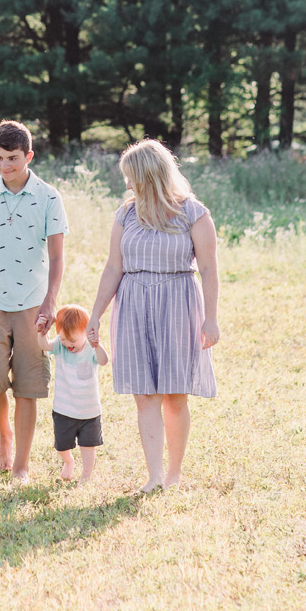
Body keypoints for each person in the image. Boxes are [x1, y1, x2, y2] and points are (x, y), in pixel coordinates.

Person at [87, 138, 219, 493]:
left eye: (131, 176)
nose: (127, 183)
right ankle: (155, 477)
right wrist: (96, 313)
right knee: (145, 395)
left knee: (175, 394)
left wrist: (211, 318)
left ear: (149, 174)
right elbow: (114, 266)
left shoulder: (193, 212)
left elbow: (208, 269)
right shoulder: (126, 214)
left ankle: (174, 473)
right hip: (132, 304)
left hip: (178, 302)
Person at [0, 119, 67, 482]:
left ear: (29, 156)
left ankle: (21, 463)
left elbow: (57, 258)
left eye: (13, 159)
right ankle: (4, 434)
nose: (5, 166)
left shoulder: (49, 197)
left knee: (28, 386)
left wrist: (50, 303)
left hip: (33, 304)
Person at [36, 302, 108, 485]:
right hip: (64, 409)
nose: (68, 344)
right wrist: (41, 333)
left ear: (86, 332)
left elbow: (104, 361)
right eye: (64, 338)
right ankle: (68, 461)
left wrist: (97, 345)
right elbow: (45, 346)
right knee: (61, 445)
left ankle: (86, 476)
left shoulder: (91, 349)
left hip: (88, 411)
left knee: (88, 447)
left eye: (73, 340)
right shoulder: (60, 345)